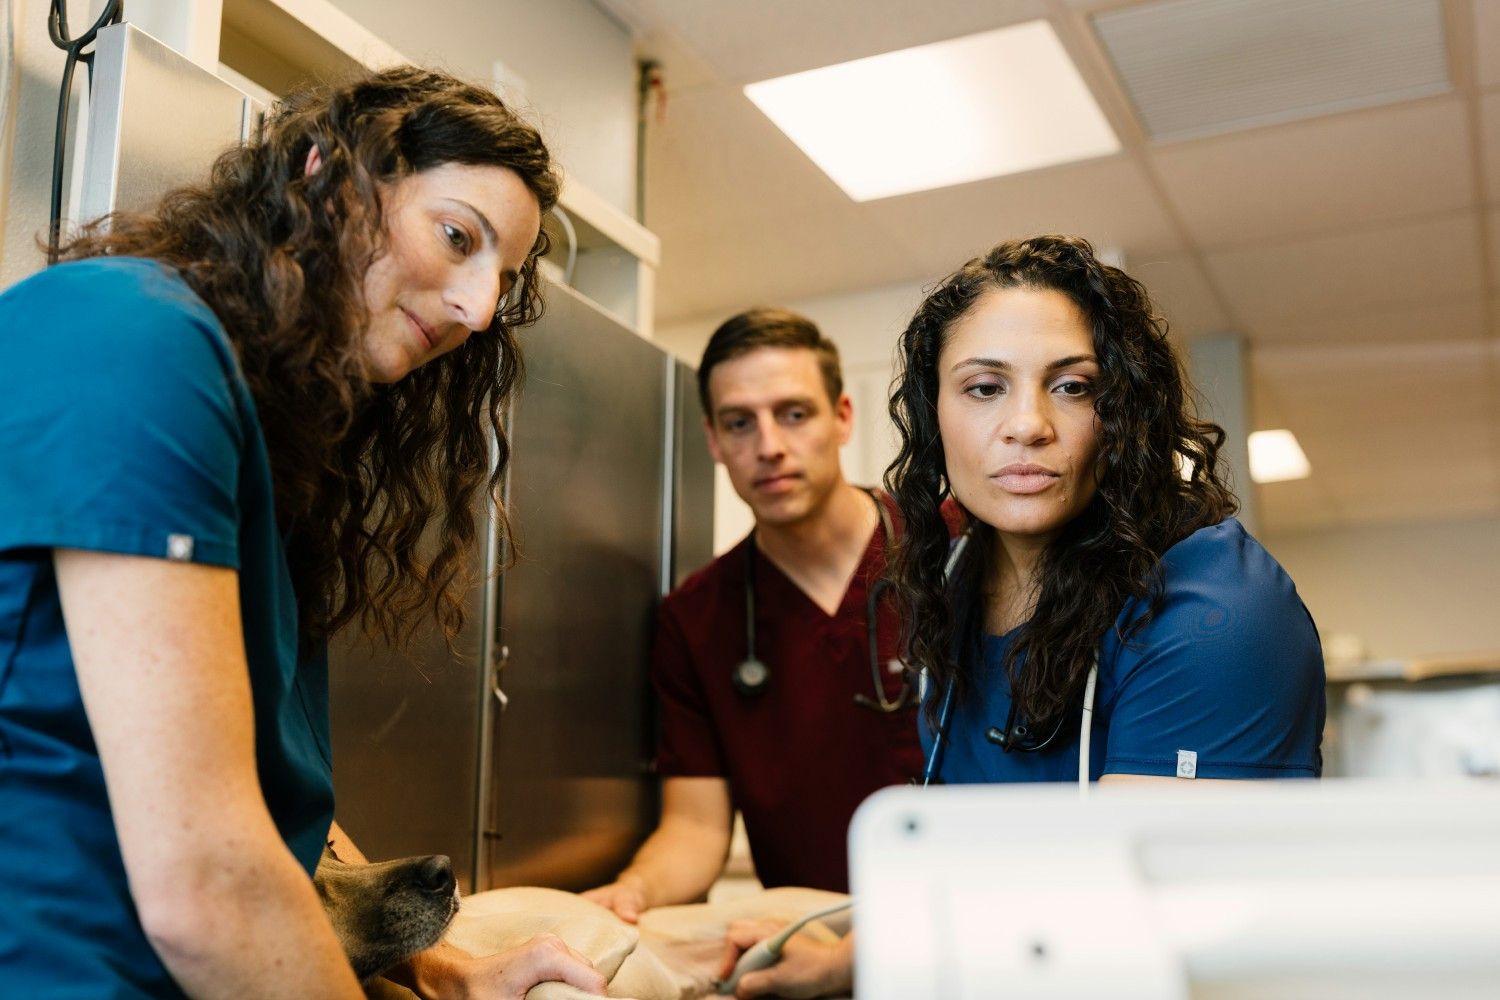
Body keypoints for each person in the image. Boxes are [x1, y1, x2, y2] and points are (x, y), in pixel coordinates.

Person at [0, 68, 606, 999]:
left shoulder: (269, 452)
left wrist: (441, 973)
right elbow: (212, 882)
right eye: (457, 237)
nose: (479, 309)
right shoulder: (129, 336)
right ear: (325, 173)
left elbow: (263, 802)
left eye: (504, 278)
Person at [715, 234, 1325, 997]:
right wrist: (839, 950)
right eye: (983, 388)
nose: (1027, 424)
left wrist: (861, 959)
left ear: (1124, 409)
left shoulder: (1218, 611)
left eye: (1072, 386)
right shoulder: (953, 577)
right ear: (934, 415)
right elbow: (977, 863)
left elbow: (1122, 913)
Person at [585, 308, 949, 926]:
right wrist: (633, 892)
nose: (769, 446)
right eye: (739, 423)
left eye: (794, 413)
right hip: (812, 943)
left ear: (841, 417)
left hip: (969, 924)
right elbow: (695, 829)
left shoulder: (955, 548)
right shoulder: (695, 619)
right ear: (714, 441)